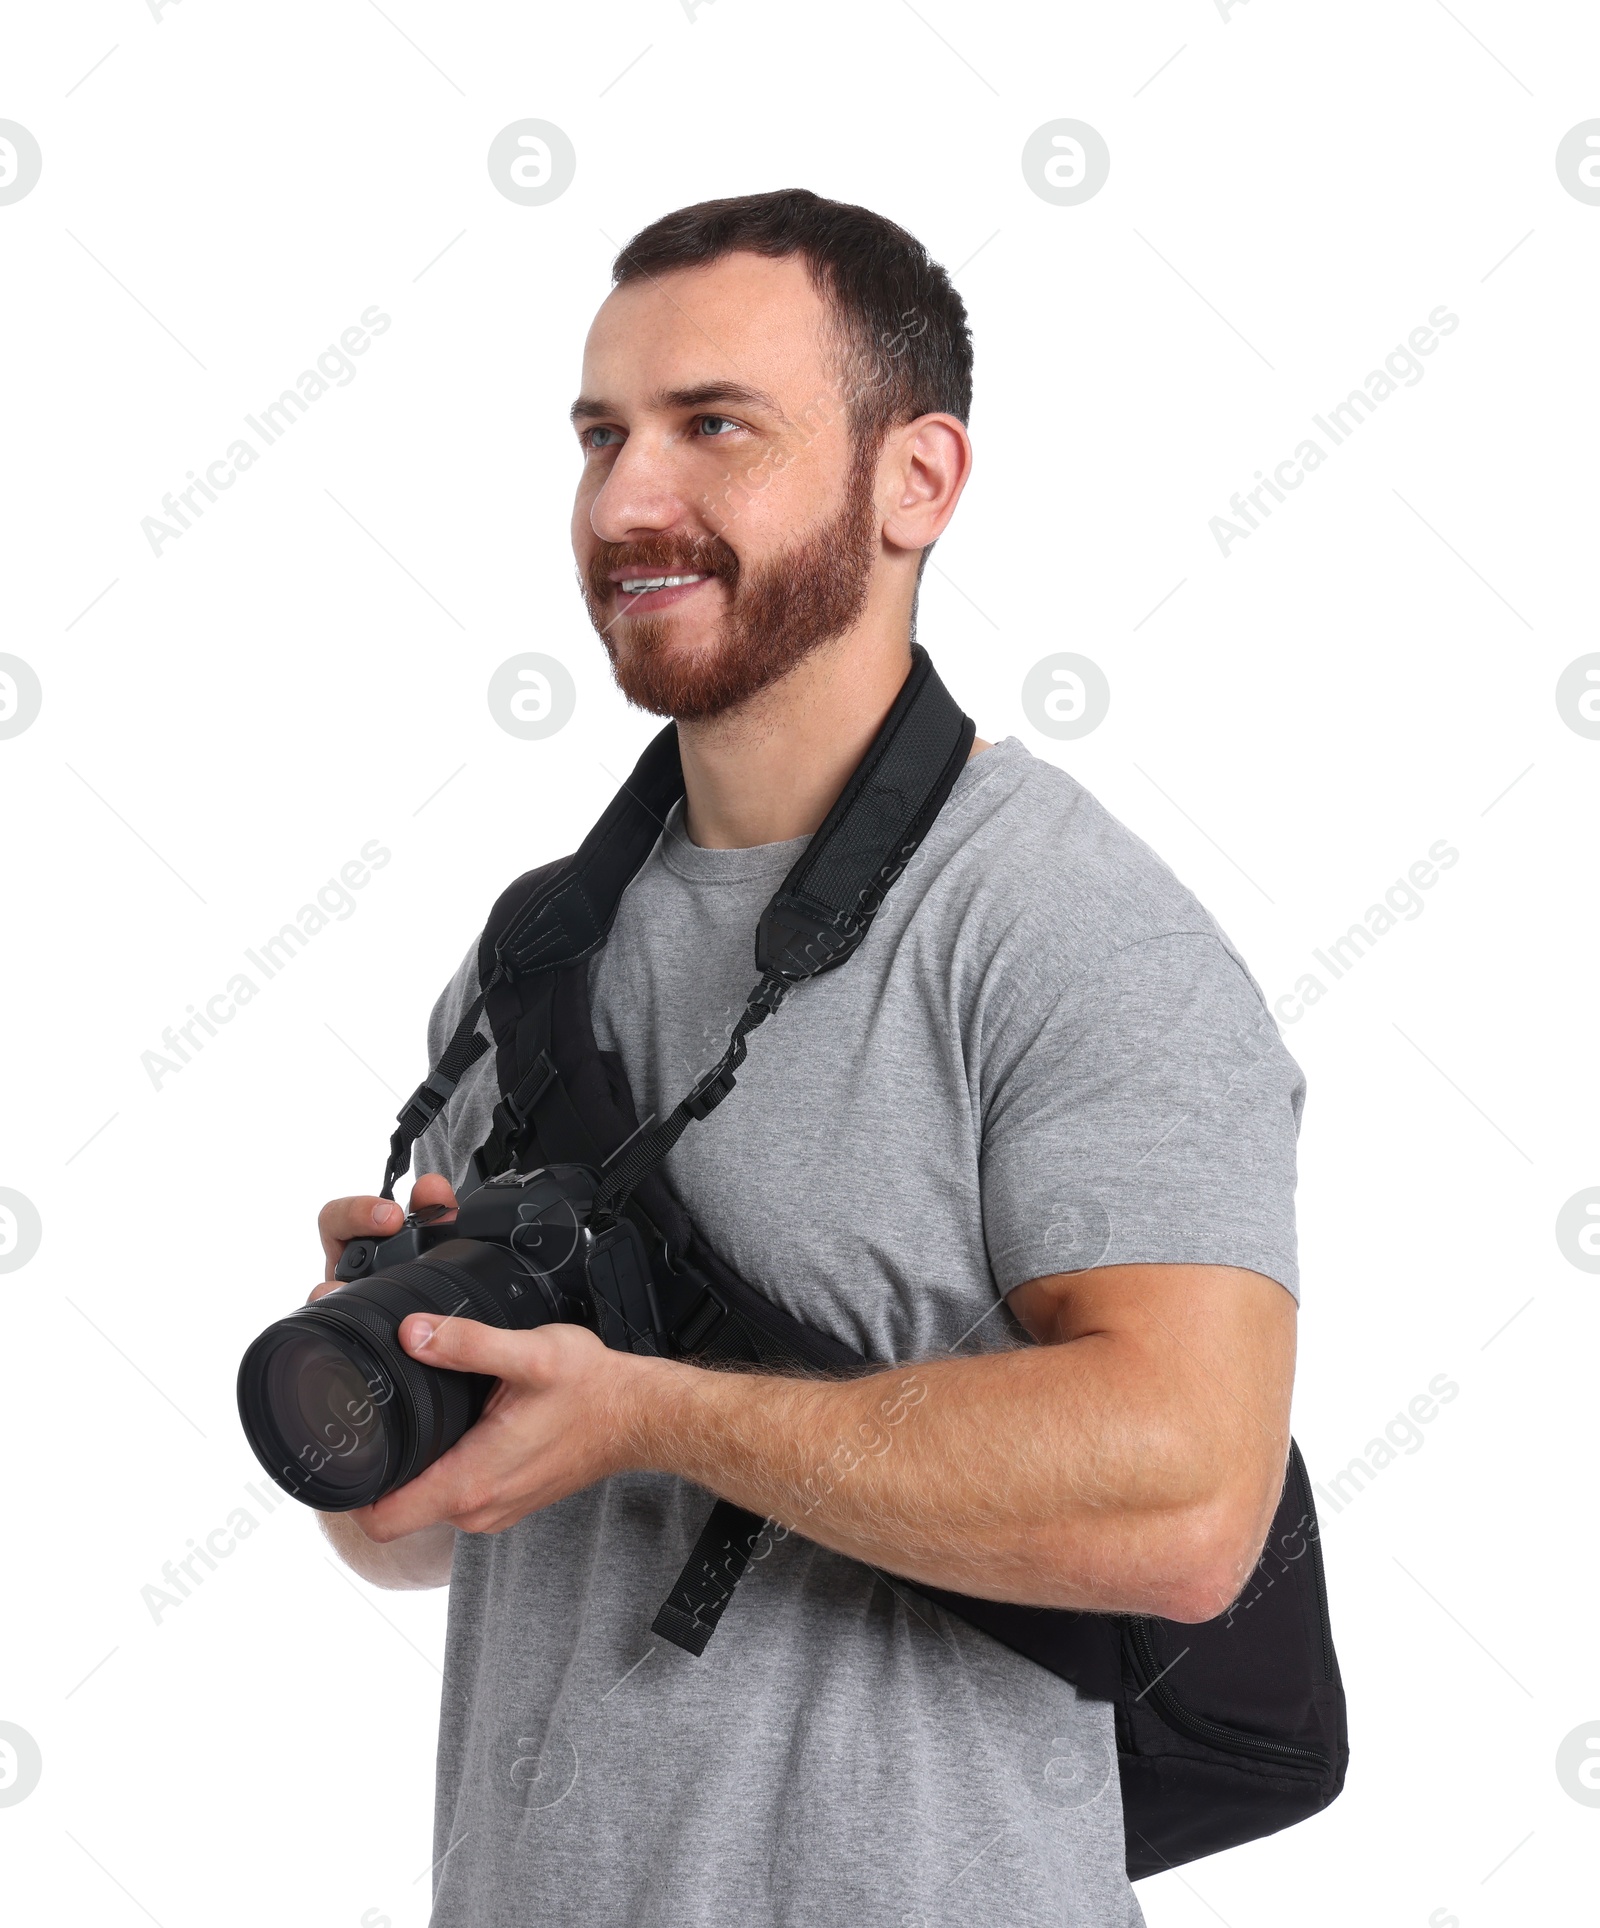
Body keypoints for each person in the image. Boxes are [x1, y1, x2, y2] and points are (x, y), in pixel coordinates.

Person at [314, 189, 1303, 1928]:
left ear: (917, 480)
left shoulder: (1062, 928)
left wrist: (655, 1417)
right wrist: (394, 1373)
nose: (629, 502)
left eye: (716, 429)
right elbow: (412, 1539)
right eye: (601, 435)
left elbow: (1192, 1494)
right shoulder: (532, 953)